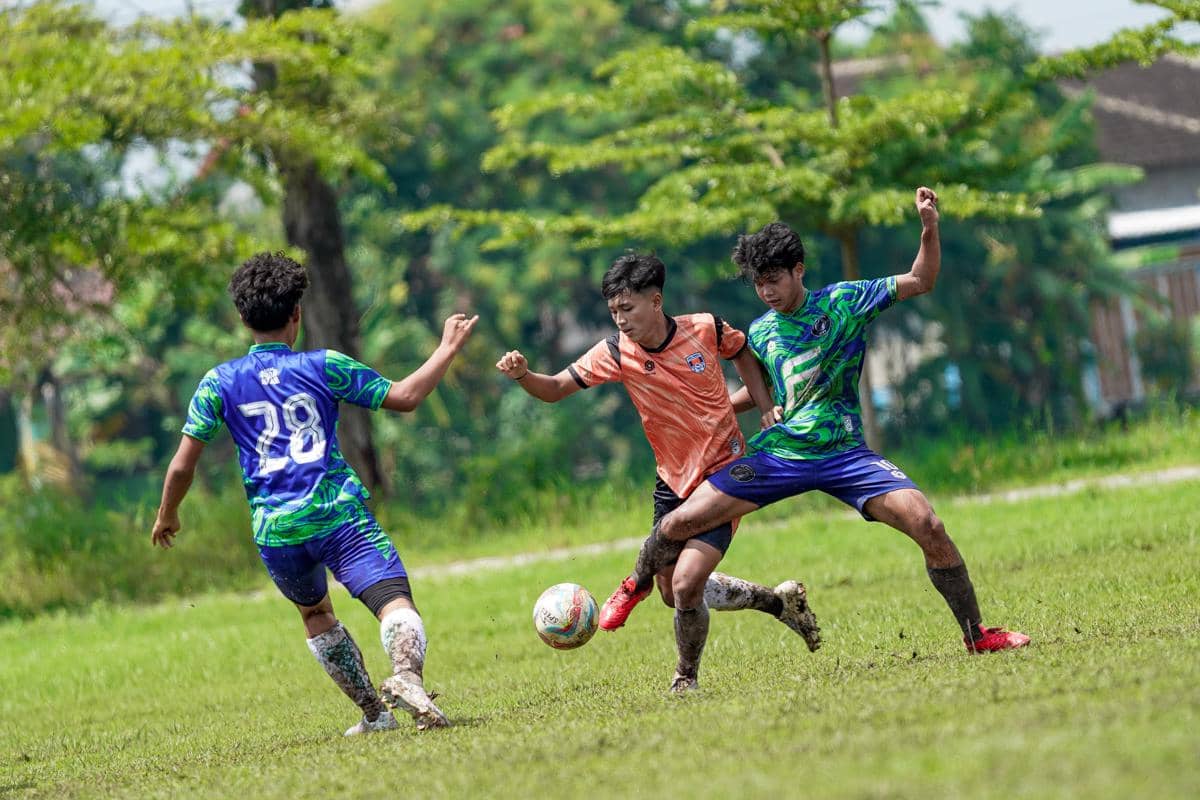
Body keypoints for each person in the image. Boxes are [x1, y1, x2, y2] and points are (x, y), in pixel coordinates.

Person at [602, 189, 1031, 654]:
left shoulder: (846, 302)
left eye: (774, 280)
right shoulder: (760, 332)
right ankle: (636, 585)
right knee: (679, 521)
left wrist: (929, 227)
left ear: (798, 270)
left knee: (928, 524)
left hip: (844, 453)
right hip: (780, 454)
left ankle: (977, 635)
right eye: (758, 284)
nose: (766, 292)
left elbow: (921, 279)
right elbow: (765, 391)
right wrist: (720, 410)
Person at [151, 251, 478, 735]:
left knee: (317, 613)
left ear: (242, 318)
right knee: (392, 600)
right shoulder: (323, 366)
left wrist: (167, 515)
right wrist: (447, 348)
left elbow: (183, 464)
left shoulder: (217, 383)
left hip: (277, 532)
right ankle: (406, 675)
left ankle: (374, 714)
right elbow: (405, 397)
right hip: (338, 516)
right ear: (296, 315)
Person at [496, 252, 821, 693]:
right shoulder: (615, 352)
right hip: (672, 480)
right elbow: (554, 389)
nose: (620, 320)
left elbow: (743, 352)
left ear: (656, 301)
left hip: (726, 473)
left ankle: (681, 673)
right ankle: (777, 603)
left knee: (687, 584)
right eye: (613, 312)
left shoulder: (704, 327)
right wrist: (523, 375)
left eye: (627, 309)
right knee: (676, 593)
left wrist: (765, 408)